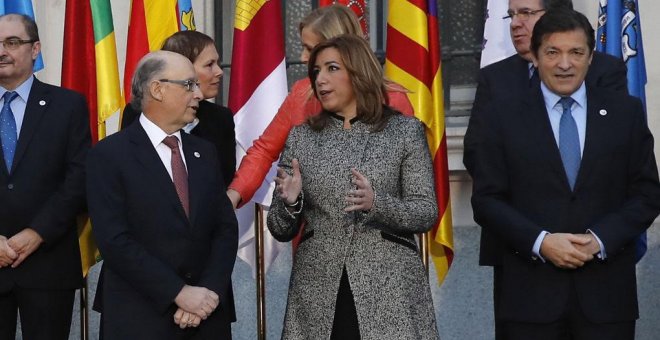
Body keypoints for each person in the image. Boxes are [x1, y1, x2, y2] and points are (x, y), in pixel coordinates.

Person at [470, 8, 660, 339]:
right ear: (536, 56)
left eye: (576, 53)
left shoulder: (624, 113)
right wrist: (541, 242)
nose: (564, 64)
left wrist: (599, 240)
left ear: (590, 58)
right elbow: (487, 200)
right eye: (553, 52)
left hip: (606, 297)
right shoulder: (502, 116)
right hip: (529, 298)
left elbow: (646, 193)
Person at [268, 34, 439, 340]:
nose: (320, 79)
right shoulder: (301, 137)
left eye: (332, 68)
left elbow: (425, 212)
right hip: (318, 288)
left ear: (359, 71)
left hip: (390, 288)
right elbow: (280, 228)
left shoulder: (404, 131)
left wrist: (378, 204)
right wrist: (290, 203)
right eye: (316, 71)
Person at [87, 51, 238, 339]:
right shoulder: (108, 155)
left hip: (206, 316)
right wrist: (179, 293)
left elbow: (225, 229)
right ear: (157, 89)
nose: (198, 93)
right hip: (140, 316)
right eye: (189, 85)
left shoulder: (204, 152)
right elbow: (114, 240)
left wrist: (206, 295)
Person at [227, 4, 413, 208]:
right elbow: (263, 151)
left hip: (377, 228)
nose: (303, 58)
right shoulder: (301, 94)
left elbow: (409, 175)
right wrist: (233, 195)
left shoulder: (392, 100)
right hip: (313, 227)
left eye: (309, 48)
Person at [0, 14, 91, 340]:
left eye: (12, 43)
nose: (2, 52)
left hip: (48, 263)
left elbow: (79, 178)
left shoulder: (67, 105)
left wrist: (36, 233)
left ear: (35, 48)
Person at [121, 30, 236, 186]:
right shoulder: (139, 112)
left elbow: (222, 180)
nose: (219, 71)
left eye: (217, 63)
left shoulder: (220, 118)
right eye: (209, 65)